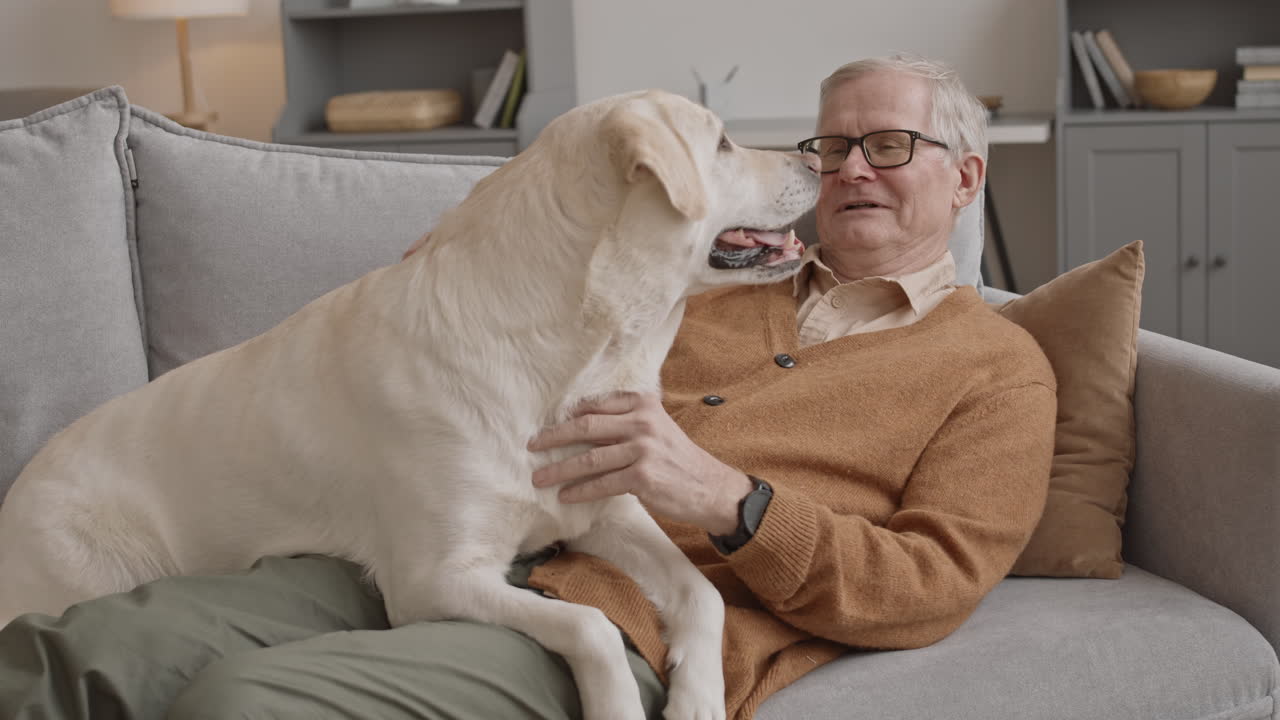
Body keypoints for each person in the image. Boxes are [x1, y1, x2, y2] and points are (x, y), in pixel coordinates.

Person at [0, 54, 1055, 720]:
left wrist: (727, 501)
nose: (843, 170)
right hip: (425, 546)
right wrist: (461, 263)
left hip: (634, 624)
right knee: (74, 653)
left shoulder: (995, 368)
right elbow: (513, 320)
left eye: (887, 146)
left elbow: (925, 587)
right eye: (832, 146)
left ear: (965, 175)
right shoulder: (702, 276)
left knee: (242, 705)